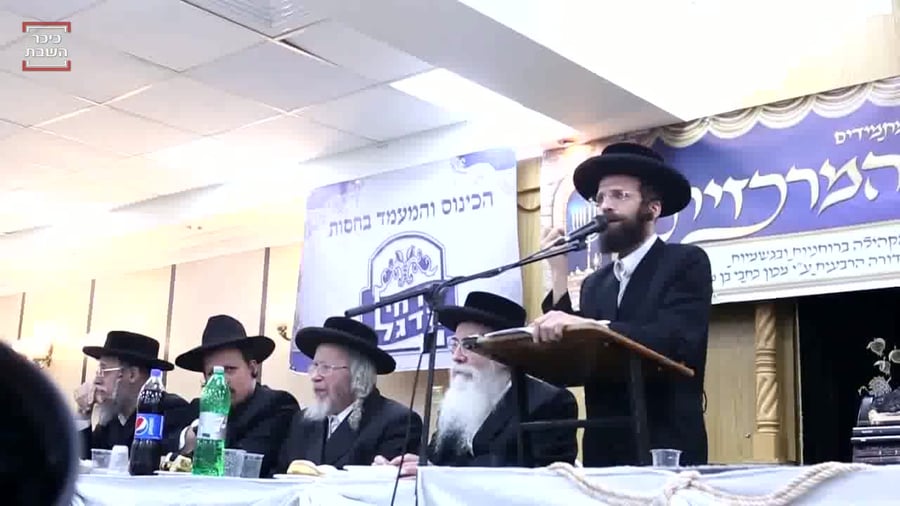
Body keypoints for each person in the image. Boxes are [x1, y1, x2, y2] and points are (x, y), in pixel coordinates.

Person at [534, 141, 712, 466]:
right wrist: (558, 271)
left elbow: (676, 340)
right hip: (604, 447)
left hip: (664, 444)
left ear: (652, 209)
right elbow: (575, 351)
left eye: (619, 196)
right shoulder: (595, 284)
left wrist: (594, 326)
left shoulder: (685, 262)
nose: (605, 206)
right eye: (600, 198)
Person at [374, 291, 578, 475]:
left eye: (469, 345)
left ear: (504, 352)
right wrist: (407, 468)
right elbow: (435, 463)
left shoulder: (548, 403)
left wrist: (439, 475)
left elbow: (538, 479)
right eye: (455, 344)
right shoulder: (456, 407)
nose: (457, 356)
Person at [274, 316, 422, 471]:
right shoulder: (302, 422)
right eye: (315, 366)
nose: (315, 376)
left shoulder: (396, 422)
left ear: (359, 375)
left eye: (325, 367)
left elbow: (389, 481)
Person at [173, 315, 299, 477]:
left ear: (252, 368)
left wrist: (203, 434)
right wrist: (187, 438)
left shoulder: (277, 405)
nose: (221, 381)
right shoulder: (198, 408)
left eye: (229, 370)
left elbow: (242, 461)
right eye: (212, 373)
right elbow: (165, 446)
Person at [74, 331, 189, 458]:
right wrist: (83, 413)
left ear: (132, 375)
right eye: (98, 371)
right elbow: (85, 462)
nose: (96, 380)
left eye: (104, 370)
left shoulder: (169, 411)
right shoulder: (111, 421)